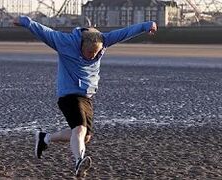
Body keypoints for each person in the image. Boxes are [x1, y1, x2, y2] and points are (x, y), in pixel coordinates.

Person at [14, 16, 157, 177]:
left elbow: (125, 32)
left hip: (86, 96)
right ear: (81, 46)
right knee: (80, 129)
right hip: (68, 94)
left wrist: (147, 25)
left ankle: (45, 138)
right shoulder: (65, 42)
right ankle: (78, 161)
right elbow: (44, 31)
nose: (92, 56)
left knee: (85, 136)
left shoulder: (103, 40)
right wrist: (25, 21)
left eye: (96, 53)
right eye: (89, 52)